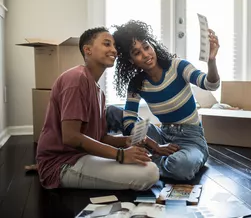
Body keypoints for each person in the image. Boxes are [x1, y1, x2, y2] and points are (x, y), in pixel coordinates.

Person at [35, 27, 159, 190]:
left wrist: (125, 141)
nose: (114, 50)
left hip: (82, 157)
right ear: (88, 50)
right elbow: (70, 137)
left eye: (114, 46)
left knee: (145, 165)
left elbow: (100, 137)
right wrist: (120, 154)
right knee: (149, 173)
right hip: (61, 164)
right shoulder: (76, 78)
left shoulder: (98, 91)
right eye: (107, 44)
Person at [111, 20, 221, 181]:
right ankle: (151, 158)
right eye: (137, 53)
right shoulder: (136, 84)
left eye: (146, 47)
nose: (146, 54)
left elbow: (210, 84)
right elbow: (128, 122)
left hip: (191, 140)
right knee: (112, 112)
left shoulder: (178, 67)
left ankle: (145, 161)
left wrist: (211, 61)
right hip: (161, 136)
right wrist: (154, 145)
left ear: (153, 45)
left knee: (180, 166)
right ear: (130, 60)